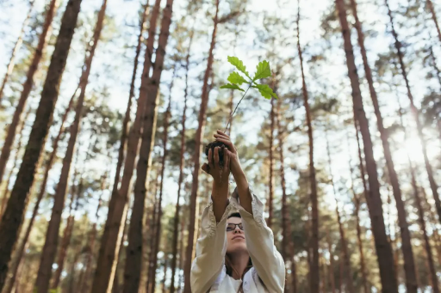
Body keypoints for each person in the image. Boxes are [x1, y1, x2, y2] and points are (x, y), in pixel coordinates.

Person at [190, 130, 285, 293]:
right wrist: (220, 183)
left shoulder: (271, 276)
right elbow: (210, 242)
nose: (237, 229)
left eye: (242, 226)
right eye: (229, 227)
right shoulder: (205, 280)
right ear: (222, 241)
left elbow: (260, 234)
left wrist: (237, 169)